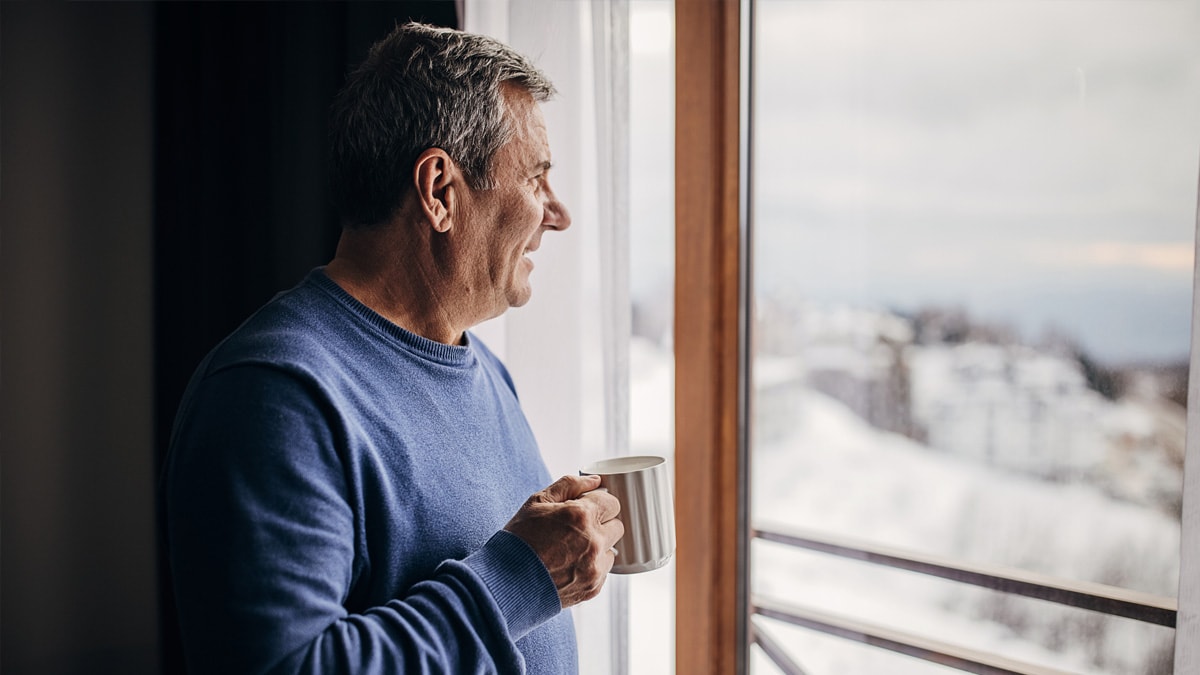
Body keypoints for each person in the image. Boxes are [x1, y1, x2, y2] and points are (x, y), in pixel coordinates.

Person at [162, 22, 624, 674]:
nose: (558, 212)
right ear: (439, 190)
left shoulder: (485, 369)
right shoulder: (273, 394)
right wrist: (520, 575)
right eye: (537, 177)